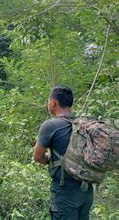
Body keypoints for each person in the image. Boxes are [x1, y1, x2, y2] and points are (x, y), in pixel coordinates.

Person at [33, 86, 93, 220]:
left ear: (53, 102)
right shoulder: (84, 124)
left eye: (48, 101)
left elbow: (37, 157)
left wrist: (51, 159)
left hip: (65, 192)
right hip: (86, 190)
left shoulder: (50, 126)